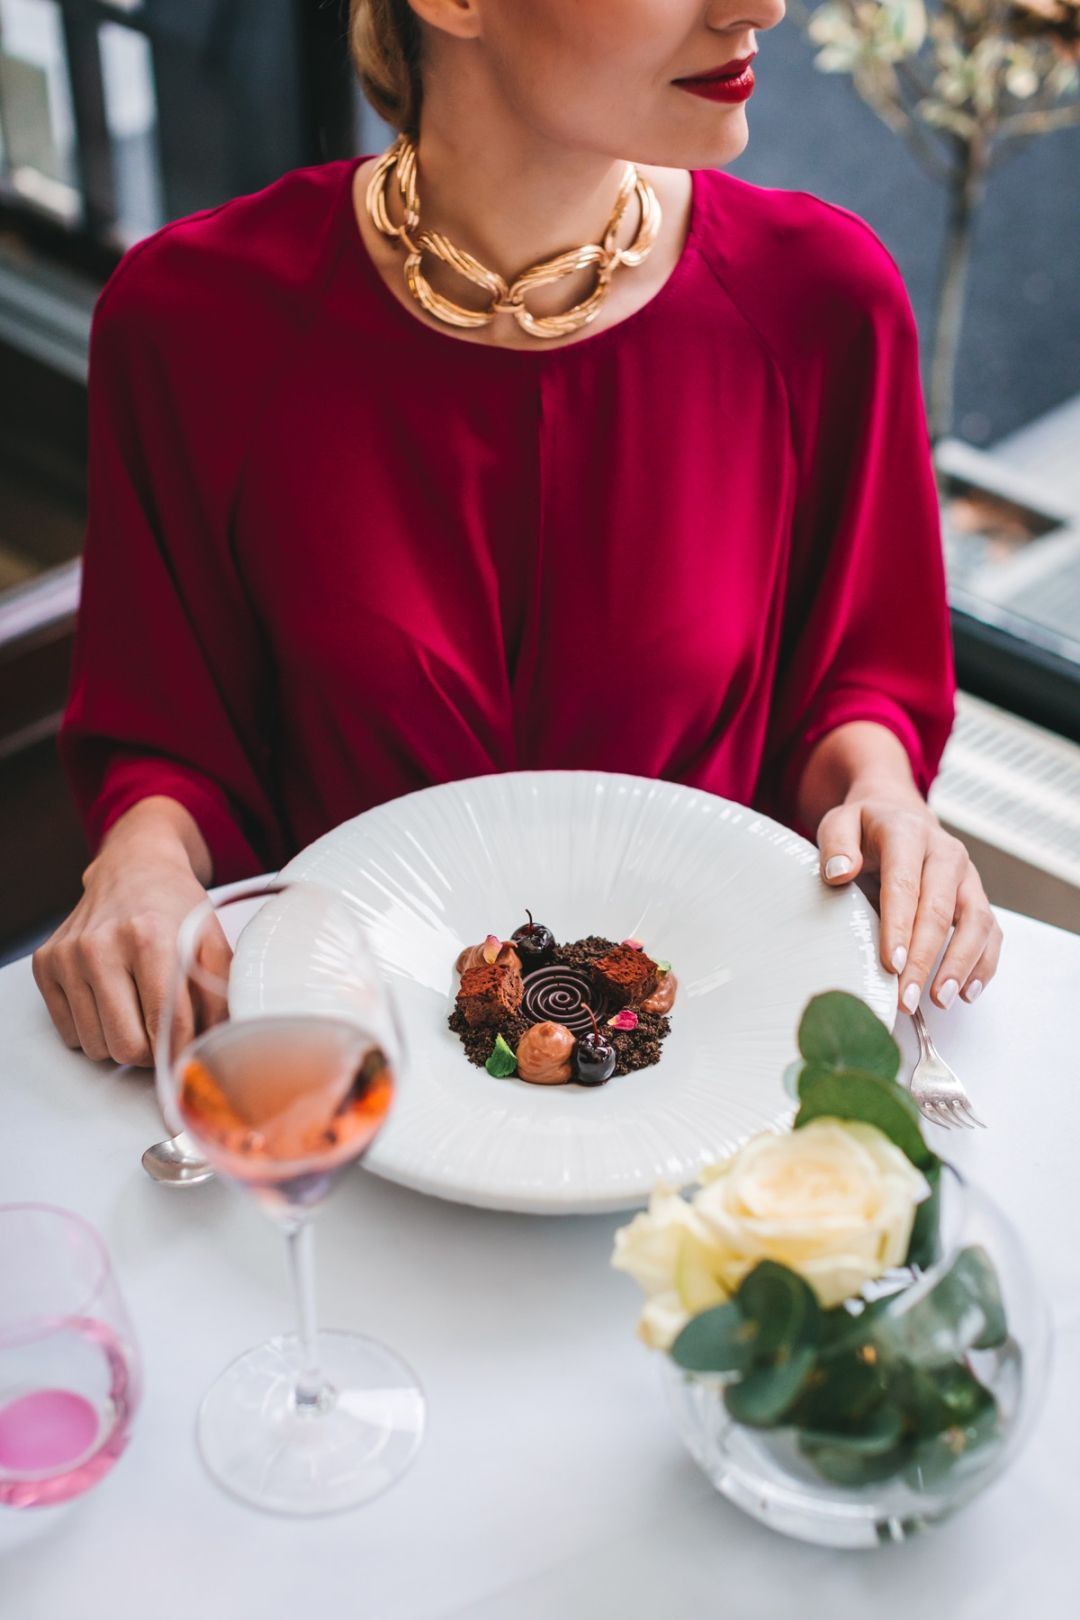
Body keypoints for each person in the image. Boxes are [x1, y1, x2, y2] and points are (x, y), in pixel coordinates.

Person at [33, 0, 1002, 1067]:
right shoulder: (195, 321)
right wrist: (139, 854)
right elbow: (167, 738)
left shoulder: (821, 301)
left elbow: (852, 686)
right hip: (343, 1072)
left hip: (714, 1073)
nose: (760, 6)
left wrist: (883, 797)